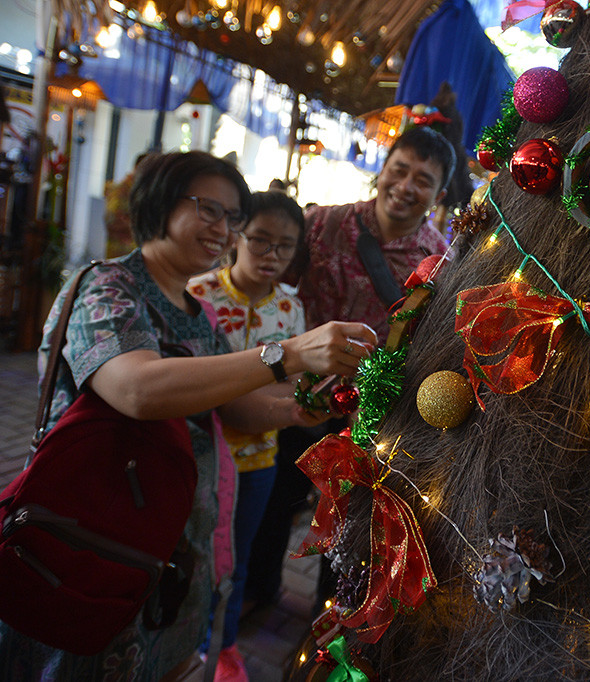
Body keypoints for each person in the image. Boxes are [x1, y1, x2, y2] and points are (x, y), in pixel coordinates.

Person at [0, 151, 375, 681]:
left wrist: (298, 409)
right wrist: (285, 355)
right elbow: (136, 389)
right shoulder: (108, 288)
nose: (223, 229)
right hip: (90, 536)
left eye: (231, 217)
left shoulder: (196, 316)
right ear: (158, 204)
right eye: (208, 209)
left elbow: (228, 406)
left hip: (165, 542)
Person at [245, 126, 455, 610]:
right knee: (276, 498)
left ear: (438, 194)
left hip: (362, 414)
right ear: (382, 171)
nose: (405, 186)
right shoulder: (322, 225)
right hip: (293, 393)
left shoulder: (438, 265)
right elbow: (278, 292)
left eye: (421, 179)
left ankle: (328, 612)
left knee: (342, 519)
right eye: (398, 170)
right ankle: (257, 592)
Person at [187, 191, 307, 681]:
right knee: (187, 553)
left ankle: (224, 645)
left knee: (234, 559)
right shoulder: (199, 295)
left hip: (257, 460)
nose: (271, 255)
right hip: (196, 458)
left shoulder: (290, 311)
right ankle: (175, 642)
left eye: (284, 246)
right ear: (237, 236)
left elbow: (294, 384)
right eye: (260, 240)